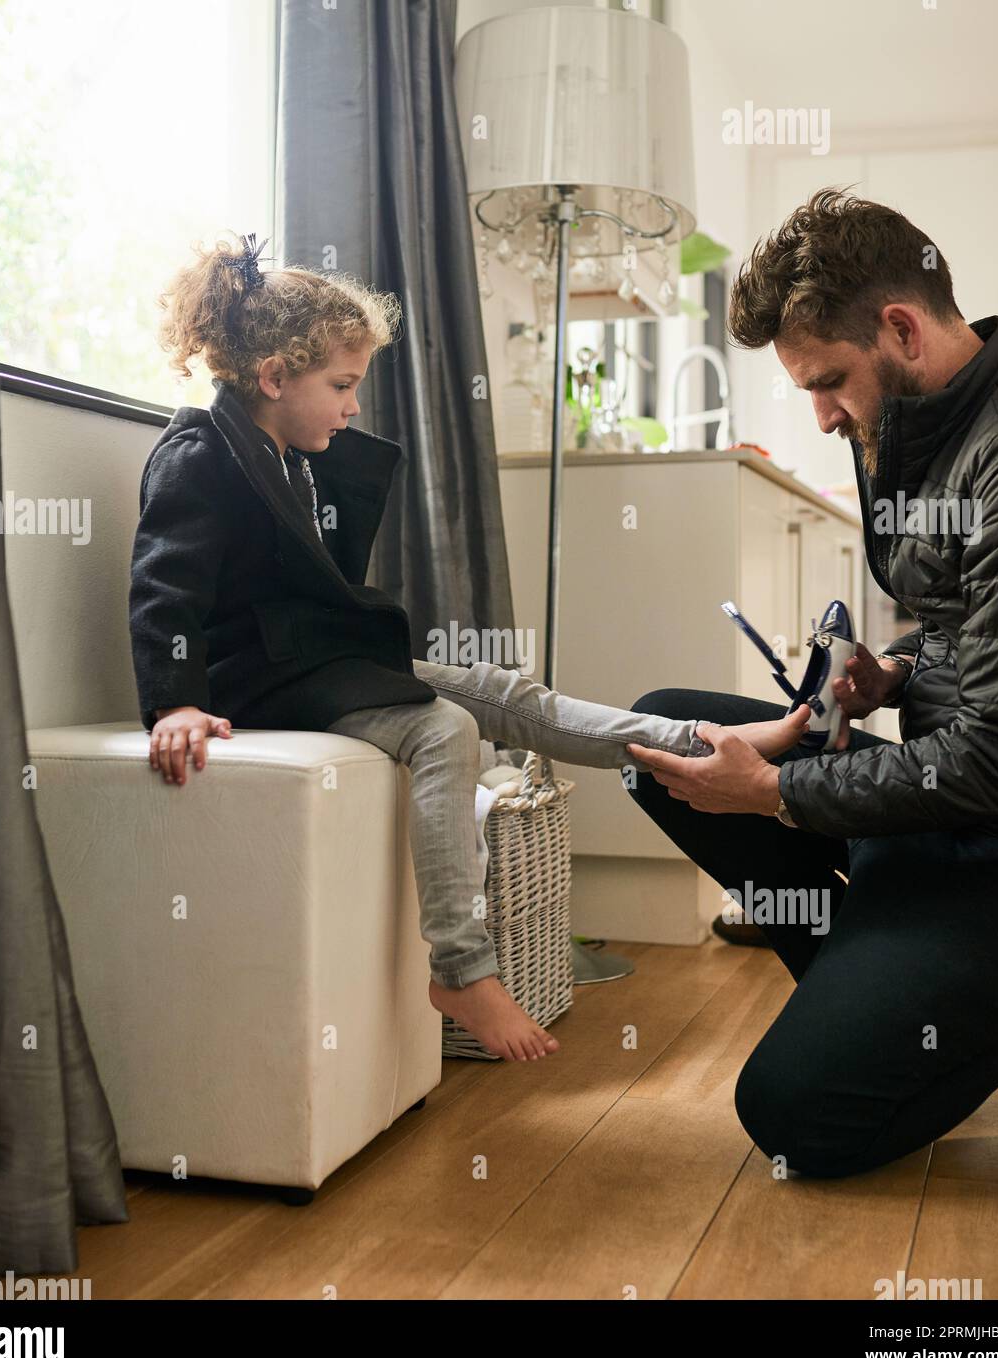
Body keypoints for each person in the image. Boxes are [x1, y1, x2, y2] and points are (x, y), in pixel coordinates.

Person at [128, 233, 810, 1064]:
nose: (351, 409)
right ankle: (460, 966)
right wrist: (176, 700)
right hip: (256, 683)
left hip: (308, 665)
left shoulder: (286, 457)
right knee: (445, 726)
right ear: (272, 378)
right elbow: (164, 589)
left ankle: (706, 743)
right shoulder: (200, 454)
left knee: (504, 693)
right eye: (341, 387)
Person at [625, 186, 998, 1178]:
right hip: (942, 809)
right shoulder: (924, 422)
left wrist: (777, 791)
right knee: (659, 741)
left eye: (827, 381)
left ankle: (988, 1007)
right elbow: (960, 627)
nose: (819, 414)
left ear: (901, 326)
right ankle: (882, 976)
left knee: (796, 1114)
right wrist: (888, 672)